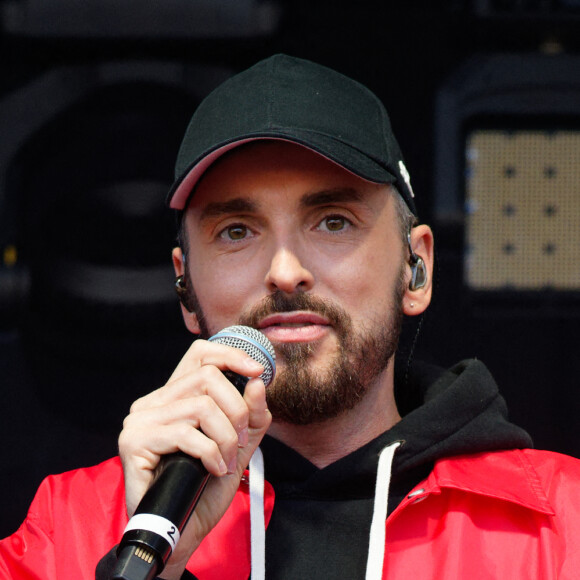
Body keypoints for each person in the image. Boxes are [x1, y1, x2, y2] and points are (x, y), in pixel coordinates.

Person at [1, 53, 580, 580]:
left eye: (333, 221)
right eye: (237, 231)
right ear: (185, 291)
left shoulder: (563, 525)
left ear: (417, 268)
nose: (284, 270)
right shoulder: (71, 529)